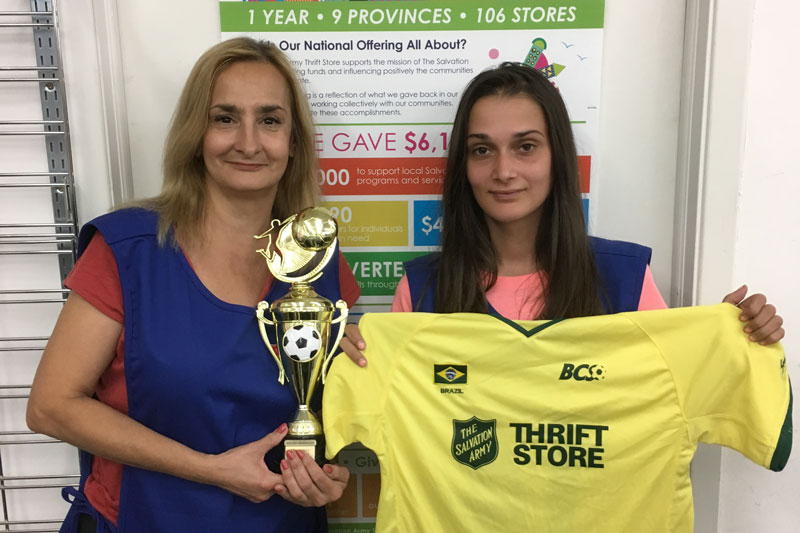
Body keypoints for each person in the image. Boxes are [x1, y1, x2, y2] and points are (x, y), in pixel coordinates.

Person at [26, 38, 358, 532]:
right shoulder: (128, 251)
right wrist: (209, 470)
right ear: (195, 134)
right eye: (225, 118)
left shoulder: (321, 267)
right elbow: (51, 408)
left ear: (293, 141)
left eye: (270, 120)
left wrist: (329, 477)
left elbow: (329, 417)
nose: (248, 141)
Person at [341, 62, 784, 363]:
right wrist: (352, 358)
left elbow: (675, 391)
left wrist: (728, 340)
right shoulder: (422, 290)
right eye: (482, 150)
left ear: (559, 158)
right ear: (464, 166)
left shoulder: (623, 280)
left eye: (526, 146)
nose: (504, 170)